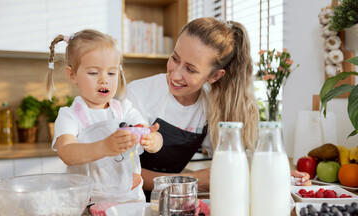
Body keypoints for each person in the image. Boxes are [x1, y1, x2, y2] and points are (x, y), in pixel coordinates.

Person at [125, 17, 311, 199]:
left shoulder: (211, 105)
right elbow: (122, 172)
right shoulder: (139, 94)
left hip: (172, 199)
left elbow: (235, 162)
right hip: (125, 197)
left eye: (190, 69)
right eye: (175, 58)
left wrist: (276, 176)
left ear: (214, 76)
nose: (176, 74)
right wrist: (190, 180)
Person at [46, 29, 163, 203]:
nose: (104, 80)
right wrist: (104, 147)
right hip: (89, 205)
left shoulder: (125, 109)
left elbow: (151, 136)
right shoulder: (69, 116)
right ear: (72, 75)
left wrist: (152, 141)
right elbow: (67, 152)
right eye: (93, 73)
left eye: (111, 73)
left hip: (131, 202)